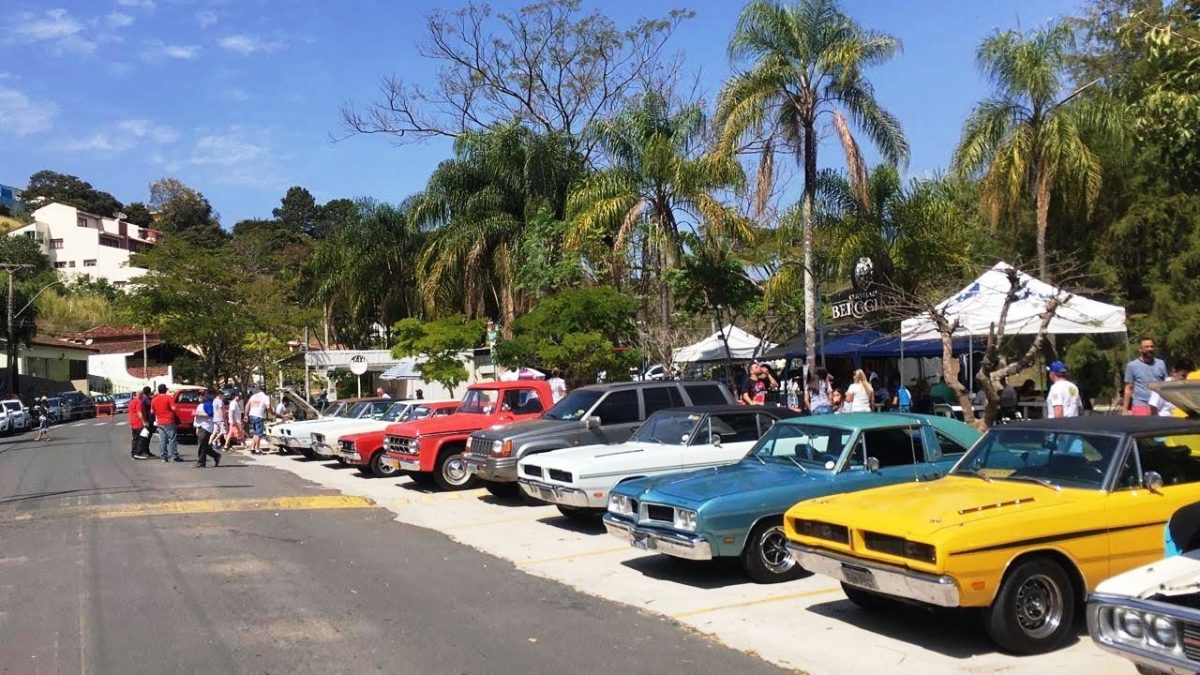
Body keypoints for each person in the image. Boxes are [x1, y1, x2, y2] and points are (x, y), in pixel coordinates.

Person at [1125, 337, 1168, 415]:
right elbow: (1129, 388)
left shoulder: (1161, 363)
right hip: (1141, 404)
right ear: (1140, 349)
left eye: (1152, 346)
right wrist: (1124, 409)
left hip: (1158, 405)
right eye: (1147, 347)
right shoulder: (1132, 366)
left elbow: (1166, 384)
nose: (1150, 349)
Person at [151, 384, 182, 462]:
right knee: (172, 438)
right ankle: (174, 456)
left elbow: (152, 411)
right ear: (166, 390)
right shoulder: (169, 398)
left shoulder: (154, 400)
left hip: (160, 421)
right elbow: (173, 408)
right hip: (169, 421)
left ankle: (163, 456)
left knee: (162, 439)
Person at [192, 388, 222, 468]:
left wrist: (199, 413)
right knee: (204, 446)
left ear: (206, 396)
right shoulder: (201, 404)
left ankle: (201, 462)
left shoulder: (207, 403)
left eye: (202, 395)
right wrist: (197, 427)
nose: (200, 397)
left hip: (206, 426)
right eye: (199, 395)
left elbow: (211, 413)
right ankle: (216, 455)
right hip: (201, 426)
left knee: (202, 445)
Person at [246, 387, 271, 455]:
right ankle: (257, 449)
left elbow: (247, 405)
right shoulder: (265, 397)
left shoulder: (253, 396)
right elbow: (268, 407)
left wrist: (246, 415)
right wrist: (272, 412)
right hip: (258, 416)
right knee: (258, 434)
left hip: (252, 415)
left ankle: (252, 448)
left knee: (255, 433)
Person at [129, 387, 151, 459]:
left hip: (133, 422)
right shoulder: (139, 402)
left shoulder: (132, 401)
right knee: (142, 438)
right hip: (139, 423)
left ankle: (134, 453)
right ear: (141, 395)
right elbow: (139, 413)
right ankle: (138, 452)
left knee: (135, 438)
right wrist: (144, 422)